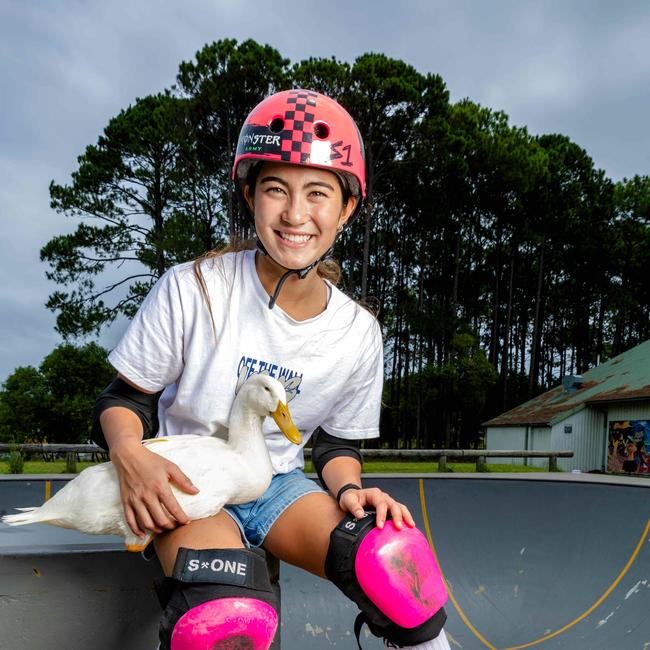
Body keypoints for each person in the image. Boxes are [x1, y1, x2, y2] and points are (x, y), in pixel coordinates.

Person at [93, 89, 450, 650]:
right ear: (249, 193)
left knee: (395, 565)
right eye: (276, 190)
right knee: (225, 614)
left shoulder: (358, 332)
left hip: (276, 485)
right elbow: (124, 400)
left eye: (317, 193)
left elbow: (335, 445)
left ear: (347, 207)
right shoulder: (195, 288)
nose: (295, 215)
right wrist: (132, 457)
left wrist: (353, 491)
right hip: (190, 483)